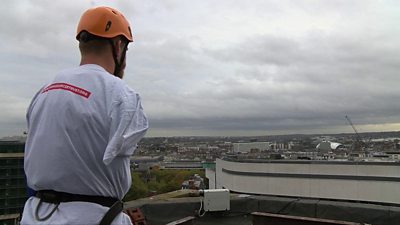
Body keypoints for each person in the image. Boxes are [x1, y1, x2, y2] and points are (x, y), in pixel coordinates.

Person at [21, 6, 148, 225]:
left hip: (36, 216)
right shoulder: (120, 94)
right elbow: (118, 153)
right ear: (118, 46)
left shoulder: (45, 90)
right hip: (94, 218)